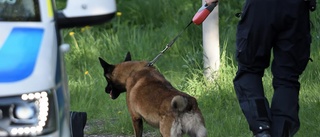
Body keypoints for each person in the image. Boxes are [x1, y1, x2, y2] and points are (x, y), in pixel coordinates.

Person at [205, 0, 316, 136]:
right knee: (288, 79)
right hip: (296, 9)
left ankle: (262, 129)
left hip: (260, 7)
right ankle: (280, 133)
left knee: (249, 70)